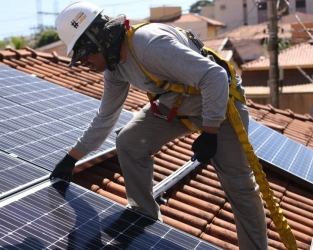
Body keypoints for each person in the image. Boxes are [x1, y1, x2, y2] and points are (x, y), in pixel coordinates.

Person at [50, 1, 268, 249]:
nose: (84, 63)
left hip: (220, 103)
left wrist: (210, 131)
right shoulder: (114, 70)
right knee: (129, 141)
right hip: (177, 104)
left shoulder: (149, 44)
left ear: (98, 41)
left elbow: (215, 77)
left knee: (239, 185)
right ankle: (145, 216)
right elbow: (105, 118)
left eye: (84, 54)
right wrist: (72, 157)